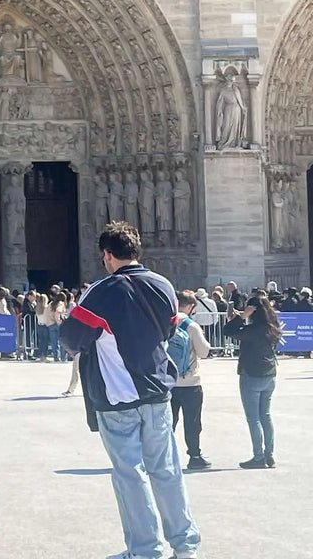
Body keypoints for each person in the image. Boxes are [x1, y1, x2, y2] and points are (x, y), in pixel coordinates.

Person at [60, 221, 200, 559]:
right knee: (166, 469)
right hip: (157, 392)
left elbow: (71, 339)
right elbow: (168, 332)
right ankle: (186, 546)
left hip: (118, 396)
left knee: (129, 474)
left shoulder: (102, 291)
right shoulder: (164, 285)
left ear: (108, 255)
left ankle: (146, 549)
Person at [223, 293, 282, 469]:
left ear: (253, 312)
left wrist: (241, 317)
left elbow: (228, 332)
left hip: (252, 374)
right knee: (266, 415)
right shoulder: (272, 327)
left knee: (253, 418)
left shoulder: (253, 331)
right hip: (269, 374)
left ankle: (258, 456)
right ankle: (269, 455)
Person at [169, 290, 212, 470]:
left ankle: (164, 457)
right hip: (190, 382)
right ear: (191, 307)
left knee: (167, 423)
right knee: (192, 421)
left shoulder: (164, 322)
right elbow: (203, 352)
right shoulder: (191, 326)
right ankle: (194, 456)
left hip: (167, 382)